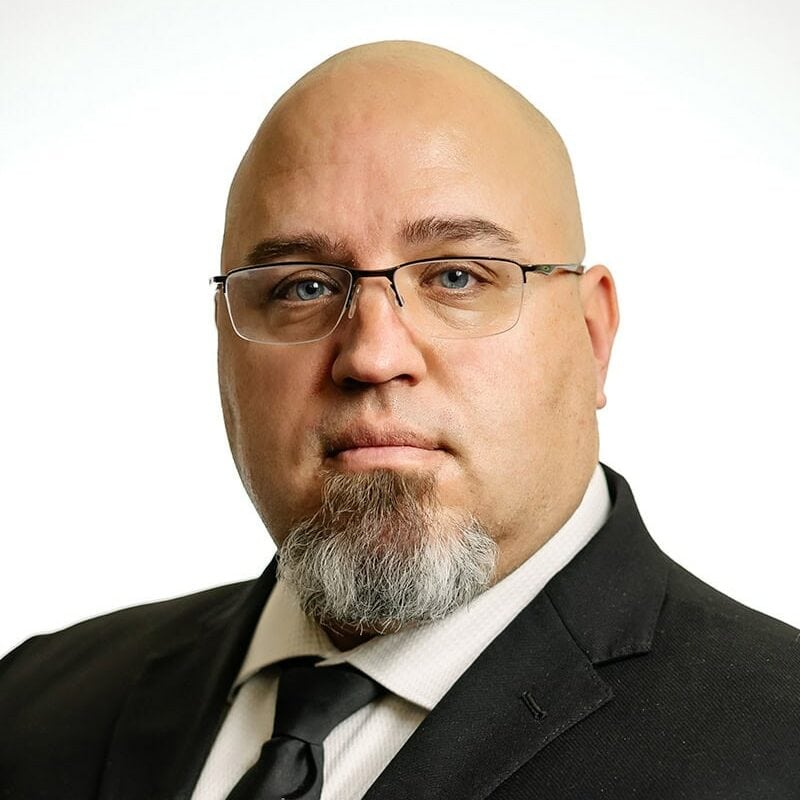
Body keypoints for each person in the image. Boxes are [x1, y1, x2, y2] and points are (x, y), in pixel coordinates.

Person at [1, 40, 798, 800]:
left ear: (592, 337)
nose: (373, 356)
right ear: (224, 345)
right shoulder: (30, 705)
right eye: (303, 287)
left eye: (457, 276)